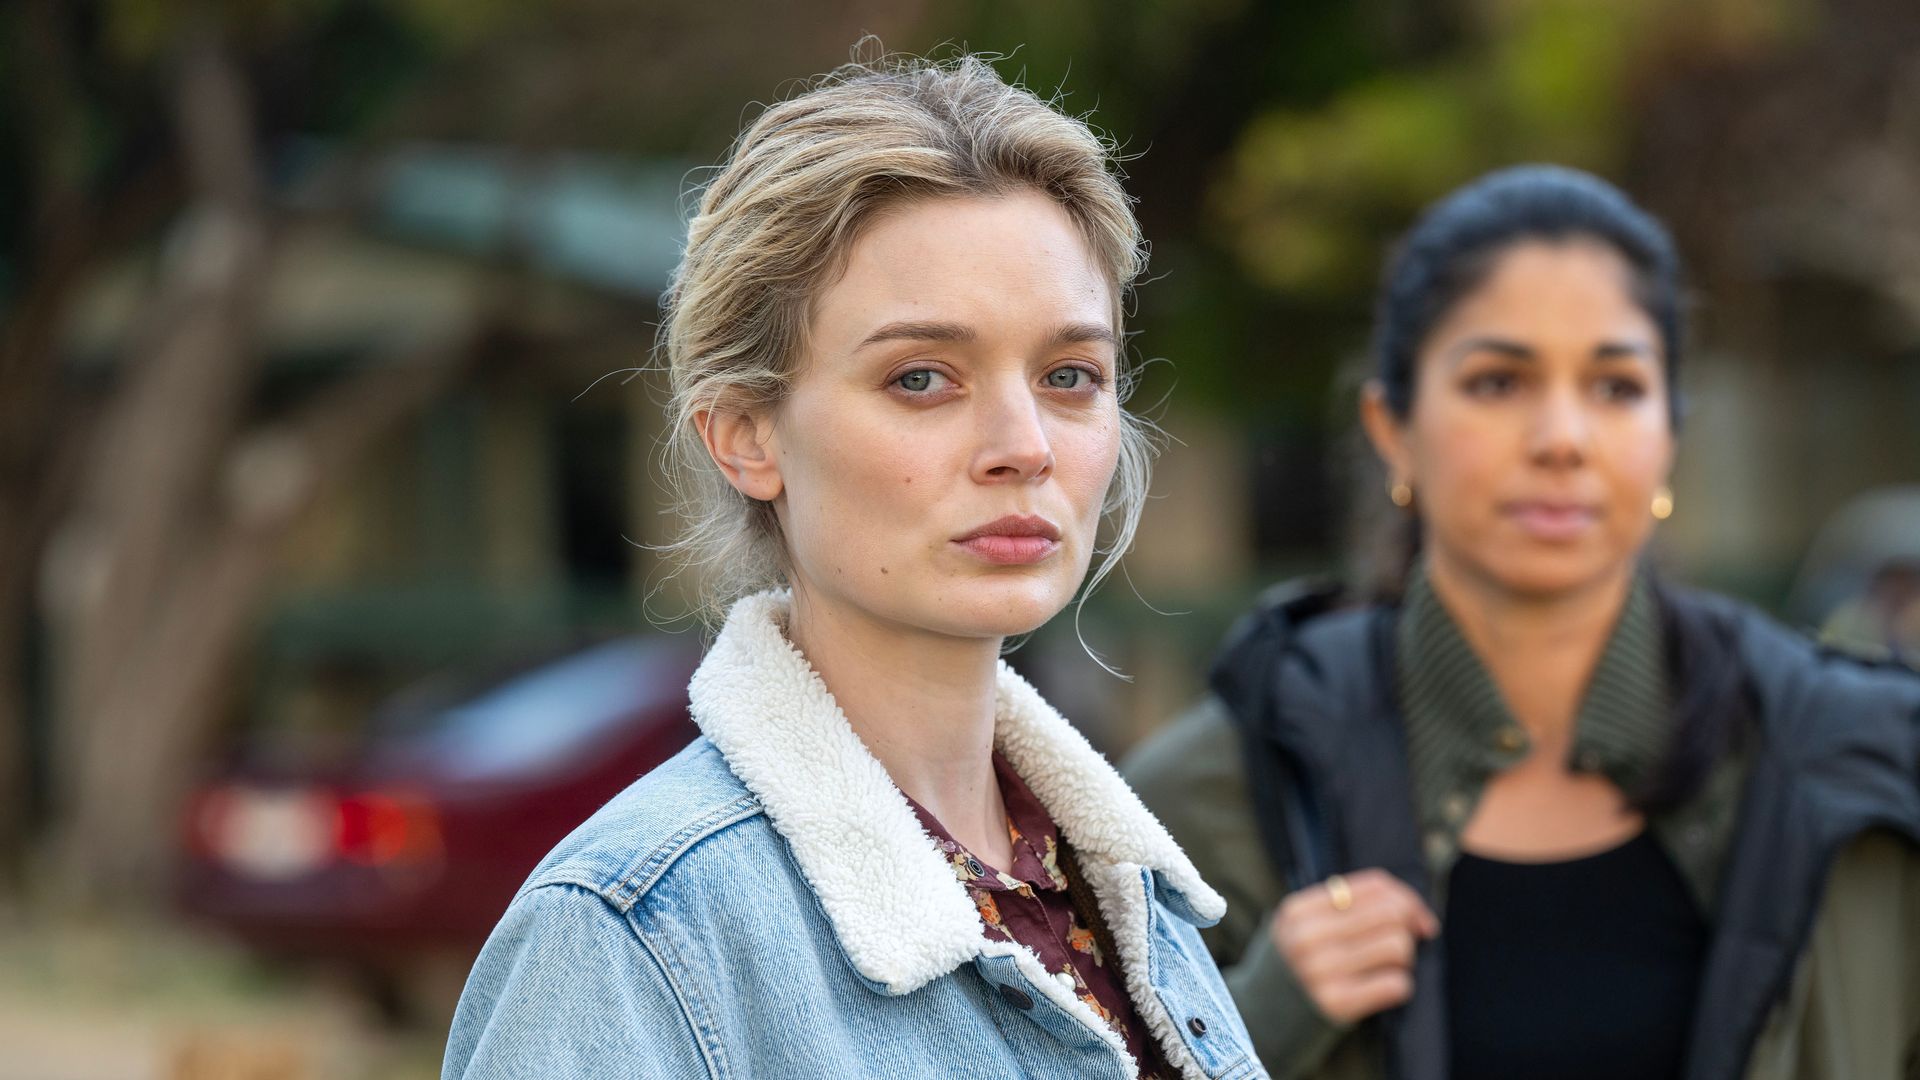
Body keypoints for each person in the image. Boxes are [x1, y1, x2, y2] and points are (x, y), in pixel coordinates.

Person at [442, 53, 1262, 1080]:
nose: (1025, 443)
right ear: (746, 434)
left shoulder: (1133, 905)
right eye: (922, 377)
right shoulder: (629, 937)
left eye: (1068, 375)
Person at [1124, 165, 1920, 1080]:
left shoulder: (1863, 773)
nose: (1562, 437)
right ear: (1393, 428)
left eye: (1616, 386)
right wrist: (1248, 1027)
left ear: (1670, 435)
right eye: (1499, 382)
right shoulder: (1212, 804)